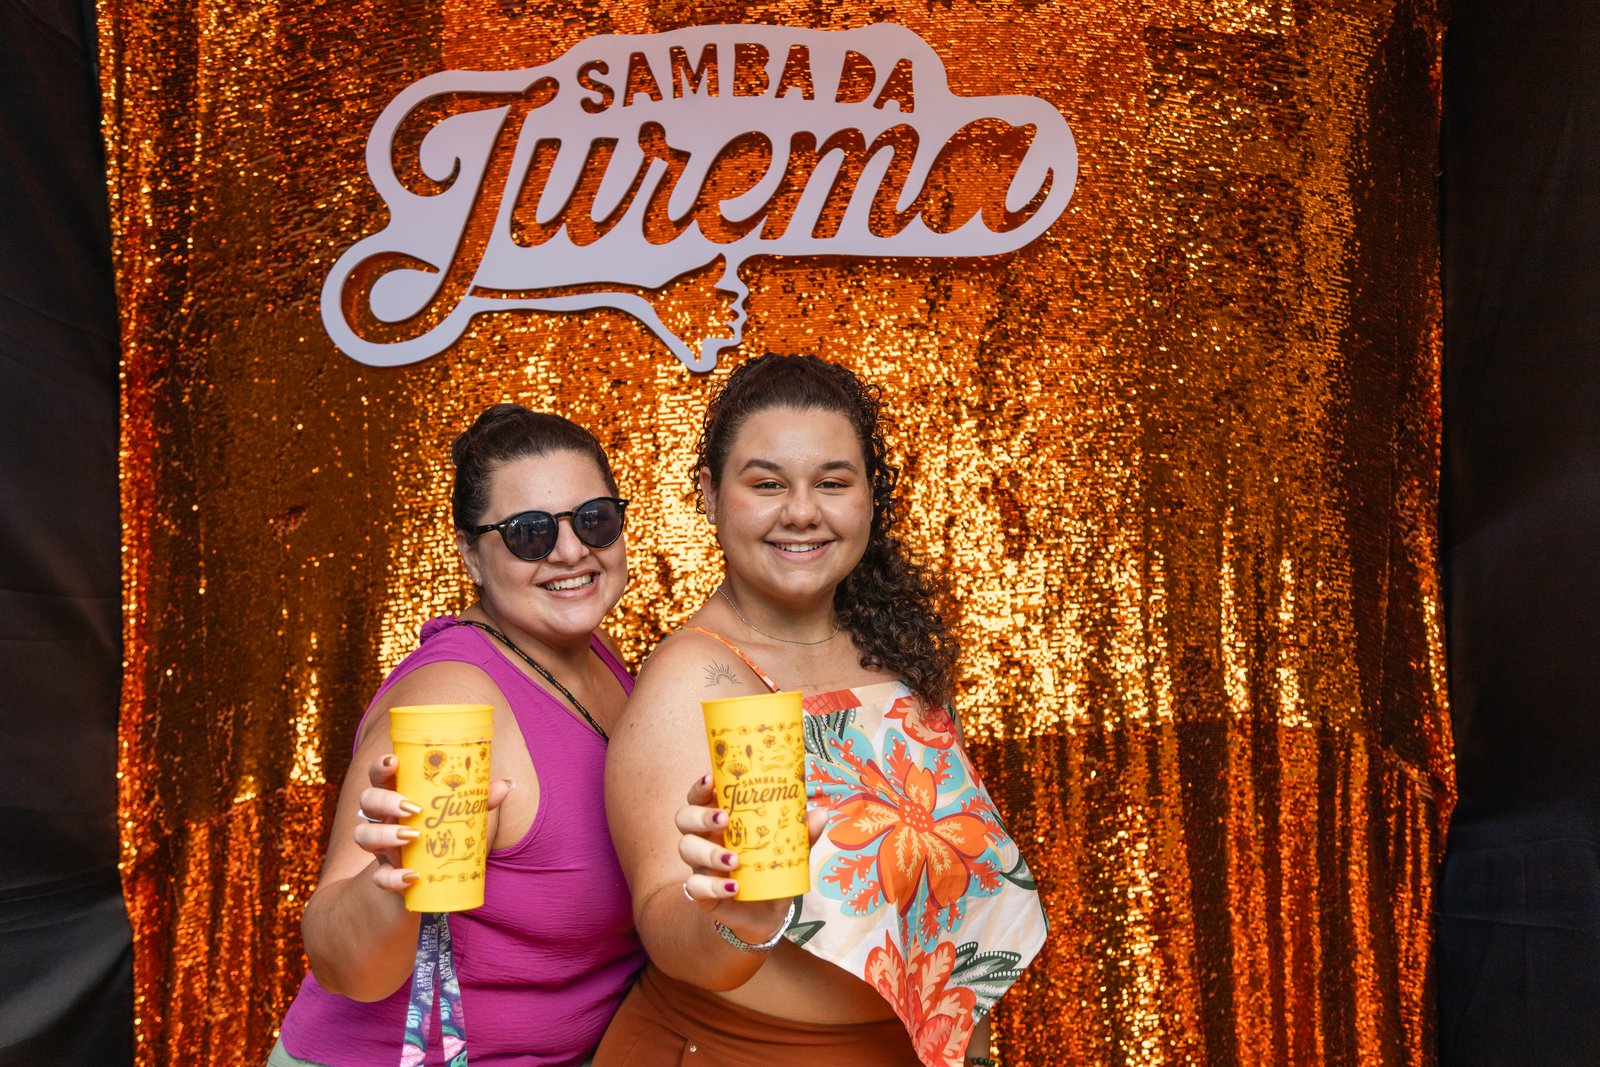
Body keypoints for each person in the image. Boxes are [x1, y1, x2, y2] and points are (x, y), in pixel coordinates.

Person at [597, 354, 1047, 1067]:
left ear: (869, 496)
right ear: (710, 494)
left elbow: (945, 919)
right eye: (767, 483)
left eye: (832, 482)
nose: (802, 511)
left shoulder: (892, 655)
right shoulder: (697, 676)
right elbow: (665, 927)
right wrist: (740, 916)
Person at [272, 405, 645, 1066]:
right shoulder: (452, 699)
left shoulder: (598, 657)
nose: (570, 551)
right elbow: (341, 962)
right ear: (471, 552)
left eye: (593, 520)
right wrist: (392, 883)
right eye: (529, 533)